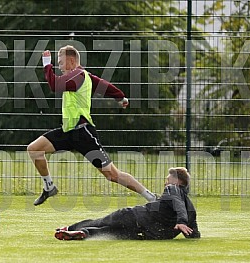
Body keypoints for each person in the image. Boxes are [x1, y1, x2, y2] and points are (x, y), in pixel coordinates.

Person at [27, 45, 156, 206]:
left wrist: (47, 64)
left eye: (60, 63)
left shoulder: (77, 75)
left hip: (83, 133)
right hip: (68, 132)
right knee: (34, 149)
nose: (58, 67)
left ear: (72, 61)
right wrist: (120, 97)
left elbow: (55, 85)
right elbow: (103, 85)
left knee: (112, 175)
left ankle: (151, 197)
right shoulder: (84, 75)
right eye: (57, 64)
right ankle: (49, 187)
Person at [55, 167, 201, 240]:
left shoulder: (172, 189)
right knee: (108, 232)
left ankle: (69, 228)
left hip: (132, 217)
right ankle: (83, 233)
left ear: (176, 181)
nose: (166, 182)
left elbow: (177, 205)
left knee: (101, 222)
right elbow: (193, 233)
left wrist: (181, 222)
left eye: (167, 179)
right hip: (143, 233)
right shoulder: (191, 209)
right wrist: (190, 232)